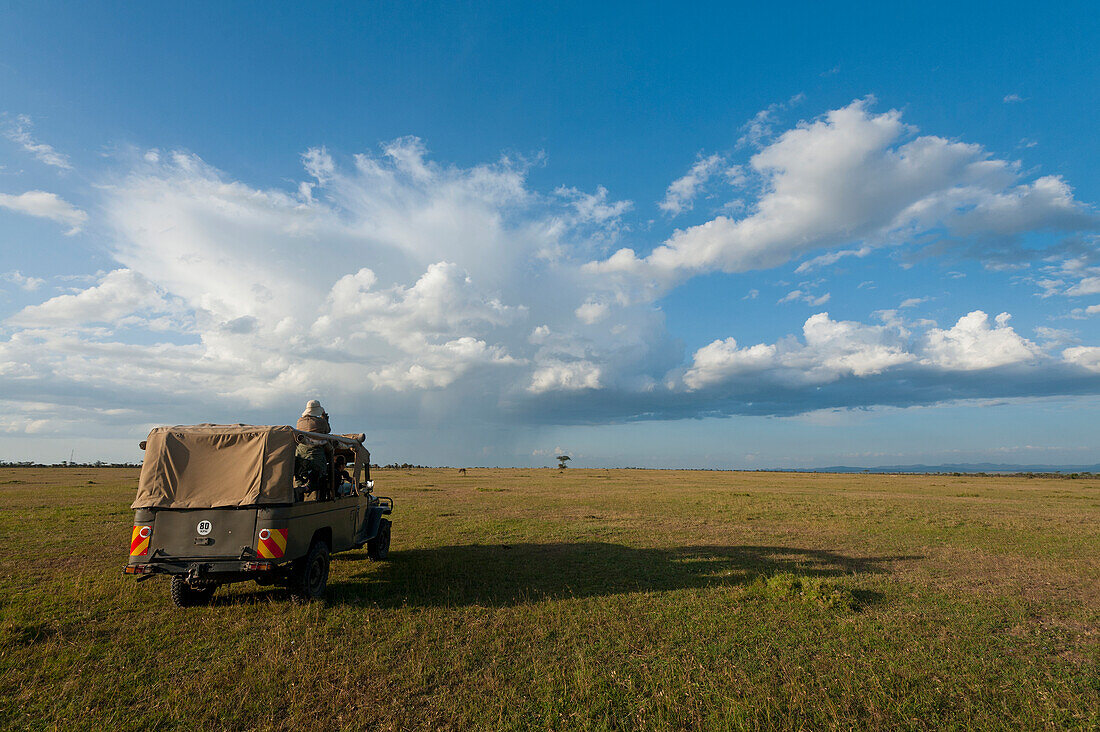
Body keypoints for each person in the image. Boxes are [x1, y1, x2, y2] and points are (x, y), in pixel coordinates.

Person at [294, 400, 332, 499]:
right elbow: (327, 430)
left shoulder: (300, 421)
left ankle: (299, 494)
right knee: (321, 479)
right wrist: (325, 419)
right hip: (316, 455)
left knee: (300, 478)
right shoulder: (321, 422)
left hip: (300, 454)